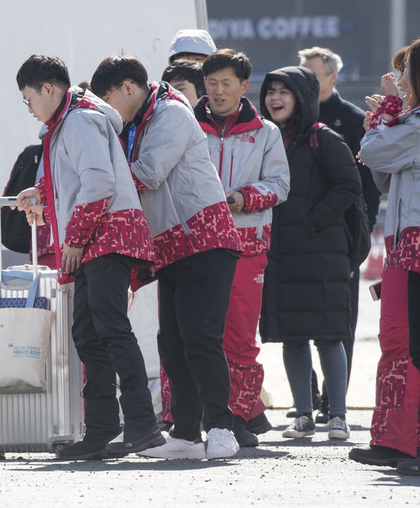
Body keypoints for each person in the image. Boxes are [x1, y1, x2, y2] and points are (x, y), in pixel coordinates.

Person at [90, 55, 243, 460]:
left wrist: (95, 175)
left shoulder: (171, 113)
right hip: (173, 245)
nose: (108, 111)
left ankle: (222, 428)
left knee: (201, 338)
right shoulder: (141, 120)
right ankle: (188, 434)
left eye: (108, 100)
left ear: (127, 88)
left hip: (205, 238)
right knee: (172, 343)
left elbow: (148, 172)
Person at [12, 54, 162, 460]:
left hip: (106, 233)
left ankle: (142, 425)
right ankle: (101, 429)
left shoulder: (78, 120)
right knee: (89, 332)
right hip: (99, 235)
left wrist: (75, 239)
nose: (29, 110)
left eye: (28, 99)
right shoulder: (68, 123)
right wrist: (40, 192)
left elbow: (98, 183)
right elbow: (77, 178)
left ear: (48, 89)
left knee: (109, 328)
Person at [258, 66, 360, 441]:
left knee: (329, 335)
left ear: (301, 96)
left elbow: (349, 185)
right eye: (271, 91)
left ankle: (337, 415)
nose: (275, 98)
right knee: (292, 335)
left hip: (321, 251)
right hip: (281, 252)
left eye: (285, 91)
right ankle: (303, 414)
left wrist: (314, 220)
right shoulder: (265, 137)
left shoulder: (324, 139)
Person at [195, 49, 290, 446]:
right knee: (193, 333)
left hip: (246, 245)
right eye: (211, 83)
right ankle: (188, 416)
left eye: (226, 83)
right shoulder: (185, 125)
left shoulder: (265, 132)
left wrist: (242, 199)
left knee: (238, 337)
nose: (217, 91)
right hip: (193, 244)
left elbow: (280, 185)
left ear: (243, 86)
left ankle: (236, 415)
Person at [299, 46, 381, 423]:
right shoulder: (290, 121)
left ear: (332, 77)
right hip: (297, 238)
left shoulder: (352, 120)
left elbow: (368, 186)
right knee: (295, 319)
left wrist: (358, 236)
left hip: (342, 238)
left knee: (340, 322)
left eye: (312, 74)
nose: (304, 82)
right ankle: (307, 395)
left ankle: (335, 403)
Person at [353, 38, 420, 475]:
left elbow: (375, 151)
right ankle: (396, 440)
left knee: (410, 344)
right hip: (402, 246)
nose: (400, 81)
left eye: (406, 72)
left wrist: (386, 113)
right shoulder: (409, 122)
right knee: (399, 342)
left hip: (412, 245)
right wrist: (392, 116)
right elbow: (380, 174)